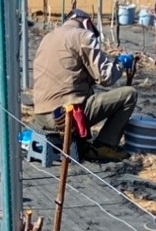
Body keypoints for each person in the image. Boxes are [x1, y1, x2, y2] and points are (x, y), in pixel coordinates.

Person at [32, 8, 138, 162]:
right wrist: (120, 63)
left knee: (83, 95)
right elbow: (106, 78)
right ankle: (104, 146)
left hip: (41, 115)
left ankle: (82, 142)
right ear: (87, 23)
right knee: (129, 94)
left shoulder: (48, 38)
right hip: (65, 116)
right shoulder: (83, 35)